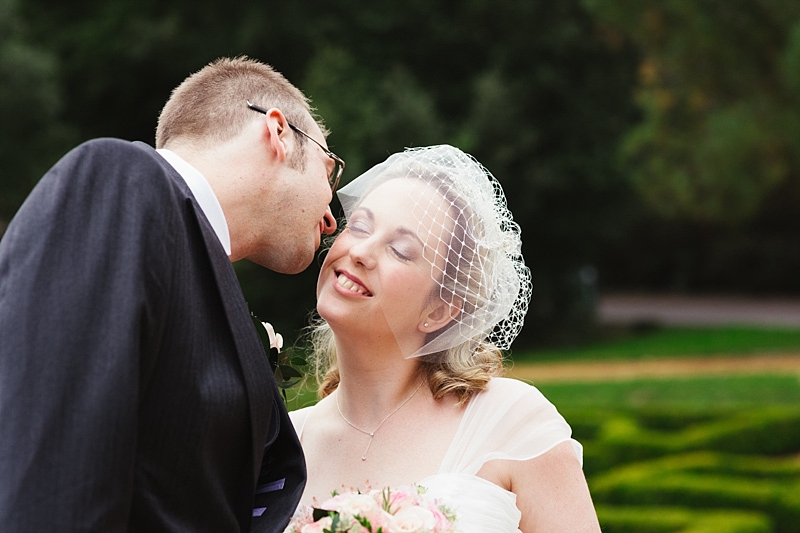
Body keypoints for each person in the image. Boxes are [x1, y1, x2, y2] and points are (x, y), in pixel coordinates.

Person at [0, 56, 341, 532]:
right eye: (331, 172)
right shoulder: (120, 182)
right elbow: (55, 468)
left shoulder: (207, 280)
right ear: (278, 133)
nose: (331, 219)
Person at [288, 145, 601, 532]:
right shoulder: (281, 445)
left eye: (401, 251)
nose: (362, 252)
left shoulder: (511, 423)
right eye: (360, 227)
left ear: (439, 310)